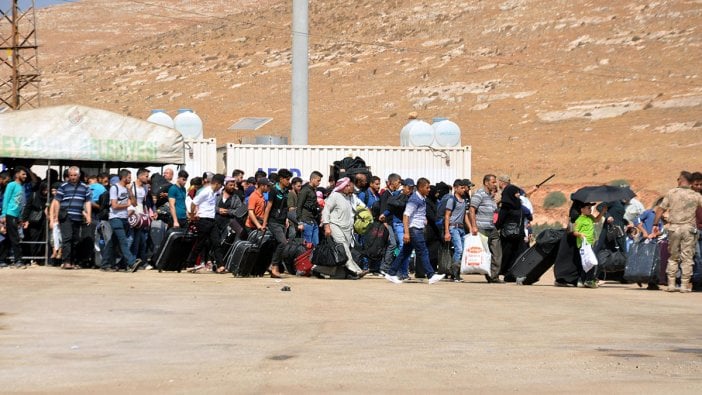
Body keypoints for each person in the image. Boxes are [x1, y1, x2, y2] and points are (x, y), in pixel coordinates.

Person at [385, 178, 445, 284]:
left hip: (417, 228)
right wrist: (407, 233)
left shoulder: (421, 198)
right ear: (421, 187)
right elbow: (406, 215)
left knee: (405, 252)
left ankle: (391, 273)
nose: (429, 189)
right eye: (427, 187)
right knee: (423, 251)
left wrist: (423, 220)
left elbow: (417, 213)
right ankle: (431, 275)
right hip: (414, 230)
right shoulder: (414, 200)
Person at [652, 171, 702, 293]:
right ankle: (685, 285)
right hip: (689, 229)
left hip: (674, 228)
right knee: (687, 257)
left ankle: (671, 284)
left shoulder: (671, 193)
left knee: (673, 257)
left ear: (681, 180)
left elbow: (661, 209)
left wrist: (655, 224)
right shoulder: (696, 195)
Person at [321, 177, 366, 278]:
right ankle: (356, 270)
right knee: (344, 248)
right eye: (348, 185)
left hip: (347, 229)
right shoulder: (334, 196)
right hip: (335, 225)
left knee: (343, 251)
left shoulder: (349, 197)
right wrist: (327, 227)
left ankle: (318, 269)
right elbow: (326, 211)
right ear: (342, 186)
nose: (350, 187)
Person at [50, 166, 92, 270]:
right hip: (66, 216)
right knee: (67, 238)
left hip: (77, 217)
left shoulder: (85, 187)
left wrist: (88, 215)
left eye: (74, 175)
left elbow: (87, 202)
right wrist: (55, 216)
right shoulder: (63, 186)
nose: (72, 177)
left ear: (79, 175)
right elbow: (57, 201)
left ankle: (73, 261)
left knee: (75, 239)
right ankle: (66, 261)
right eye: (71, 175)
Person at [185, 174, 225, 272]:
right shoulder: (205, 192)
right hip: (203, 220)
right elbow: (194, 203)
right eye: (220, 185)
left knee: (216, 242)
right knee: (200, 243)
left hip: (212, 220)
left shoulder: (214, 193)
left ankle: (220, 266)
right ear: (216, 183)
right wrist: (192, 215)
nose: (221, 187)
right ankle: (190, 264)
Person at [102, 169, 140, 272]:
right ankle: (131, 262)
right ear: (123, 177)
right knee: (123, 240)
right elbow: (114, 205)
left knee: (113, 242)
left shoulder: (127, 188)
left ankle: (105, 264)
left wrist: (130, 191)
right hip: (115, 218)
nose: (130, 179)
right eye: (129, 177)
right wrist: (127, 205)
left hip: (124, 218)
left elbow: (135, 203)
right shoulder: (115, 188)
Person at [469, 174, 503, 283]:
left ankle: (494, 276)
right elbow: (472, 210)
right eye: (493, 182)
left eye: (495, 182)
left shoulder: (491, 197)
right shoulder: (479, 194)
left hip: (491, 228)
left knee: (497, 252)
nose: (495, 184)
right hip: (481, 228)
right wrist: (474, 226)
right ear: (486, 183)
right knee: (482, 253)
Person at [496, 184, 532, 277]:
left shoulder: (508, 206)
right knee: (509, 254)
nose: (518, 194)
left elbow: (500, 221)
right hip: (514, 235)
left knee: (515, 254)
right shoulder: (516, 206)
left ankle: (512, 272)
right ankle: (506, 272)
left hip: (511, 235)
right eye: (516, 192)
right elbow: (529, 216)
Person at [264, 169, 293, 278]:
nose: (288, 182)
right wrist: (264, 223)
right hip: (273, 221)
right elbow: (268, 207)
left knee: (278, 244)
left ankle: (273, 267)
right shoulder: (274, 190)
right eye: (287, 179)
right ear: (281, 179)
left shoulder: (286, 191)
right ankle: (274, 266)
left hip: (282, 221)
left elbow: (285, 207)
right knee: (283, 243)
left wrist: (286, 219)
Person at [572, 202, 605, 288]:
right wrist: (580, 235)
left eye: (591, 208)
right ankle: (589, 280)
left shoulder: (590, 217)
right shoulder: (579, 220)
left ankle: (582, 280)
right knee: (591, 261)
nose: (590, 210)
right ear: (582, 209)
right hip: (583, 245)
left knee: (587, 263)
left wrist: (602, 212)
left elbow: (597, 220)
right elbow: (574, 231)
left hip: (589, 244)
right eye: (588, 208)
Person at [1, 167, 28, 267]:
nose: (25, 176)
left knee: (8, 238)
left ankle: (2, 260)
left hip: (16, 216)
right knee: (15, 238)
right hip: (10, 214)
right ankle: (18, 261)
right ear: (17, 175)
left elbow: (21, 204)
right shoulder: (11, 185)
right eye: (23, 174)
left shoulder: (21, 187)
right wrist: (4, 214)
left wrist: (20, 217)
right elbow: (6, 199)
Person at [443, 179, 470, 273]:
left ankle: (454, 269)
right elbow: (447, 216)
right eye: (461, 188)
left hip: (462, 228)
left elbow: (465, 215)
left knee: (462, 251)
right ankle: (455, 273)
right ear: (455, 188)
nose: (463, 190)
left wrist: (470, 228)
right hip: (454, 228)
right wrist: (447, 232)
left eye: (464, 188)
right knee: (459, 249)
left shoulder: (464, 201)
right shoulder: (451, 200)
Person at [377, 173, 402, 274]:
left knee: (394, 244)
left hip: (393, 223)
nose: (399, 184)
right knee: (392, 244)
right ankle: (384, 267)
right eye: (398, 182)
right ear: (392, 182)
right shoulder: (385, 195)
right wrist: (386, 226)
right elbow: (383, 212)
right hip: (387, 224)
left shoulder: (394, 194)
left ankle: (387, 265)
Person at [296, 171, 323, 245]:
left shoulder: (313, 190)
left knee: (316, 245)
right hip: (306, 221)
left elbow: (314, 205)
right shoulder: (305, 190)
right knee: (307, 245)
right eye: (318, 180)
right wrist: (300, 222)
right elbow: (299, 206)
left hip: (313, 221)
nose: (319, 183)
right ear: (312, 179)